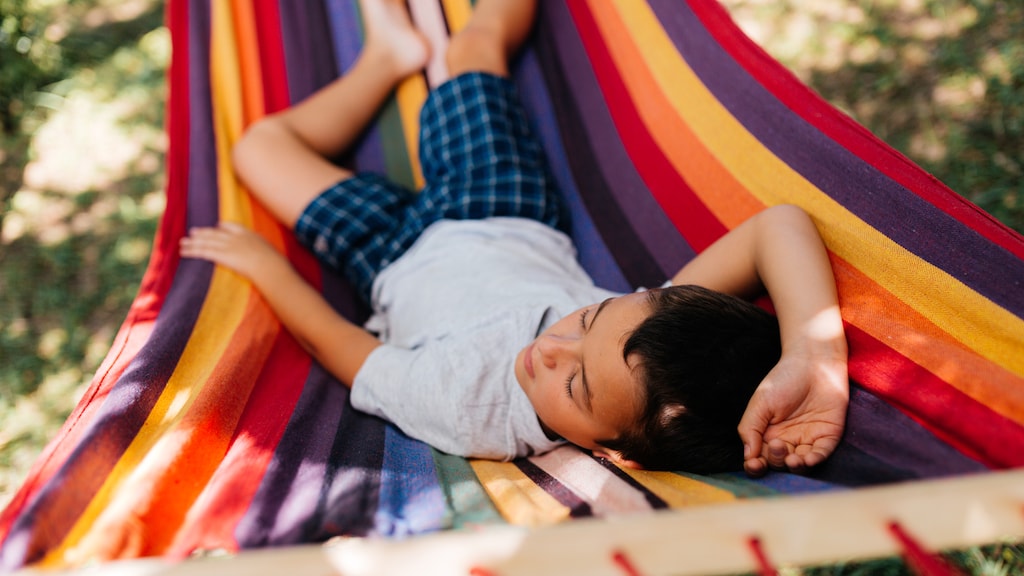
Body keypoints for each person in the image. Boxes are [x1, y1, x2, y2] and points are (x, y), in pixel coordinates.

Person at [179, 0, 848, 476]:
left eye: (578, 386)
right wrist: (813, 359)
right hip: (498, 203)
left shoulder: (470, 409)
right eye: (586, 317)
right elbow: (777, 227)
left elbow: (343, 346)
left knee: (260, 149)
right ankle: (398, 53)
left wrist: (268, 270)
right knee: (470, 48)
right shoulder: (643, 333)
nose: (552, 350)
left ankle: (385, 58)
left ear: (609, 451)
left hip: (388, 256)